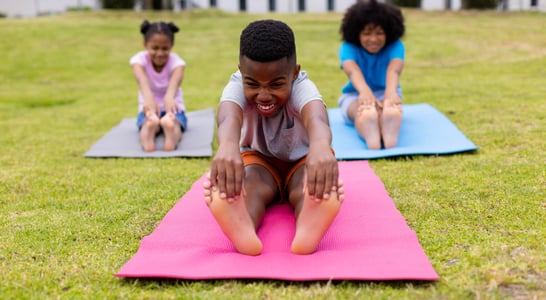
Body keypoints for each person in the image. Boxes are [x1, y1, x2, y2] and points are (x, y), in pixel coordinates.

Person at [203, 20, 344, 256]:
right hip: (260, 161)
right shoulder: (237, 84)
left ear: (295, 73)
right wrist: (227, 146)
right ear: (241, 71)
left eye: (277, 84)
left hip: (303, 160)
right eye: (253, 84)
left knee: (306, 186)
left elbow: (317, 119)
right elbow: (229, 118)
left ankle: (311, 219)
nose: (264, 95)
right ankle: (241, 220)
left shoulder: (303, 86)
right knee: (250, 187)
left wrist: (320, 147)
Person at [338, 0, 406, 149]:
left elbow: (393, 70)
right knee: (360, 109)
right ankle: (372, 131)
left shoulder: (396, 45)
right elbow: (352, 70)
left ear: (388, 32)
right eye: (367, 33)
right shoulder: (348, 47)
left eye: (379, 33)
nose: (373, 39)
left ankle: (387, 128)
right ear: (357, 33)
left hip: (387, 91)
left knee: (386, 108)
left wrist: (390, 94)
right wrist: (365, 92)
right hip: (355, 94)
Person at [130, 20, 188, 152]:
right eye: (155, 48)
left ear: (171, 46)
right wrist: (149, 100)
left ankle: (168, 130)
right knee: (148, 122)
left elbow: (174, 84)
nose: (160, 53)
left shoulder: (177, 62)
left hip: (172, 108)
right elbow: (142, 80)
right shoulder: (139, 60)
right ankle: (152, 128)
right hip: (149, 108)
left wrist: (169, 99)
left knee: (175, 123)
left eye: (165, 48)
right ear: (145, 45)